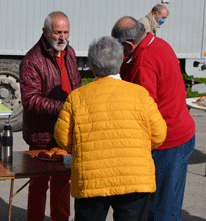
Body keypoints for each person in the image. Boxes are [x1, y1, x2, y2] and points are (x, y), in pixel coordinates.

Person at [54, 36, 167, 221]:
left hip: (91, 178)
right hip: (134, 177)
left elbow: (63, 138)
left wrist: (79, 148)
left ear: (92, 66)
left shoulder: (77, 97)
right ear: (121, 61)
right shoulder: (140, 94)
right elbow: (159, 135)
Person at [111, 16, 196, 221]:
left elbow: (143, 111)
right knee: (167, 202)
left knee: (162, 210)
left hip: (168, 141)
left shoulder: (144, 64)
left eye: (118, 48)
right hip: (179, 131)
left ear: (129, 45)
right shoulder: (156, 43)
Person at [20, 11, 82, 221]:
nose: (62, 37)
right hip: (42, 133)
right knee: (39, 183)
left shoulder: (70, 52)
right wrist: (64, 107)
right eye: (57, 33)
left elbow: (77, 83)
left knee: (63, 181)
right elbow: (30, 100)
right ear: (45, 31)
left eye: (66, 32)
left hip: (66, 131)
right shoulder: (32, 60)